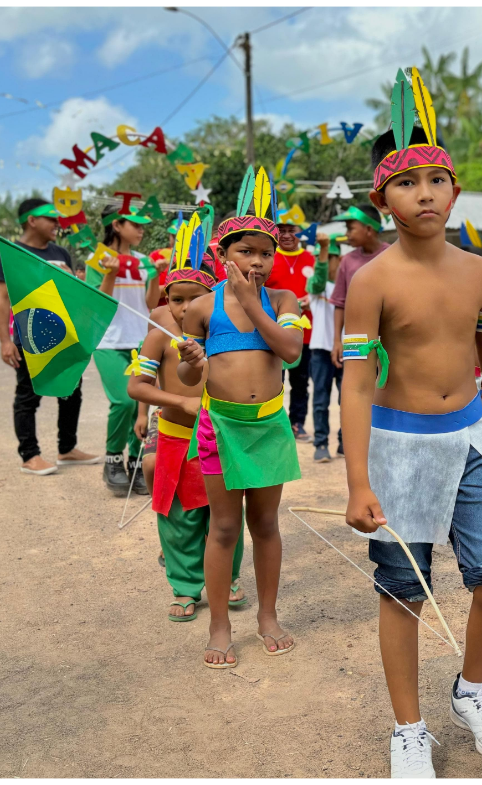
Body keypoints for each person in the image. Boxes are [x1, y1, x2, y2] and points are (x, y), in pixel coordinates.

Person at [340, 68, 482, 778]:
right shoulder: (371, 281)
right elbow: (356, 384)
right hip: (399, 450)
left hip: (472, 438)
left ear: (454, 189)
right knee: (404, 589)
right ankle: (408, 728)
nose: (425, 193)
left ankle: (473, 689)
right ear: (381, 199)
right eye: (406, 181)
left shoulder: (481, 271)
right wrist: (358, 479)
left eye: (436, 179)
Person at [177, 165, 304, 668]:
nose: (256, 260)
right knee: (224, 529)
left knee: (267, 524)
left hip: (268, 426)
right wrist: (190, 365)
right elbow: (192, 381)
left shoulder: (283, 300)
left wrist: (254, 303)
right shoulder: (202, 309)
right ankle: (219, 624)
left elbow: (291, 350)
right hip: (220, 427)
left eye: (265, 253)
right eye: (244, 251)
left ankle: (268, 616)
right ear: (221, 254)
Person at [127, 218, 246, 620]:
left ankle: (228, 578)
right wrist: (178, 403)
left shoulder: (223, 327)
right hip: (177, 434)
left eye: (193, 298)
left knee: (225, 514)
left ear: (210, 295)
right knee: (179, 517)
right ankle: (184, 585)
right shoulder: (159, 333)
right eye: (176, 299)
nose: (183, 308)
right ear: (166, 297)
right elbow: (137, 386)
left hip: (220, 433)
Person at [0, 197, 100, 475]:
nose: (57, 224)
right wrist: (5, 341)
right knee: (28, 397)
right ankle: (30, 455)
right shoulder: (11, 254)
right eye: (51, 219)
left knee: (71, 392)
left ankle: (67, 449)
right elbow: (2, 299)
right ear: (31, 220)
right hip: (30, 339)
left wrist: (72, 280)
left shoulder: (61, 253)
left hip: (64, 339)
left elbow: (72, 295)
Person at [92, 204, 163, 495]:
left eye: (143, 225)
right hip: (109, 341)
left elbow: (150, 303)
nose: (141, 229)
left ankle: (136, 461)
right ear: (117, 225)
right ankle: (112, 460)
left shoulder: (144, 261)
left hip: (139, 340)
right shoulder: (96, 258)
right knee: (123, 401)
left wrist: (157, 276)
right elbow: (98, 303)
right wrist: (110, 272)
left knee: (141, 403)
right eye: (134, 224)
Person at [266, 208, 316, 441]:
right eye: (281, 230)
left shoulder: (311, 258)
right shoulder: (269, 256)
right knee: (276, 380)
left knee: (301, 381)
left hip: (306, 331)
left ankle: (297, 423)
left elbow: (320, 289)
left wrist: (308, 300)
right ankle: (277, 422)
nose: (286, 235)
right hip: (274, 331)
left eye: (291, 230)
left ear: (300, 232)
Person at [329, 204, 390, 369]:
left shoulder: (393, 257)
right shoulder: (347, 261)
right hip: (356, 340)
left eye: (351, 229)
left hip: (390, 340)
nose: (346, 234)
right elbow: (340, 303)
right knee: (356, 387)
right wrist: (337, 341)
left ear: (369, 229)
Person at [305, 234, 345, 462]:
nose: (324, 260)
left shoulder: (349, 284)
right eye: (321, 257)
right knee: (321, 400)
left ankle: (343, 443)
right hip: (321, 350)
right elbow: (319, 279)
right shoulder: (316, 286)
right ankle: (321, 444)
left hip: (346, 350)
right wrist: (324, 249)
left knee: (346, 401)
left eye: (330, 257)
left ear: (339, 260)